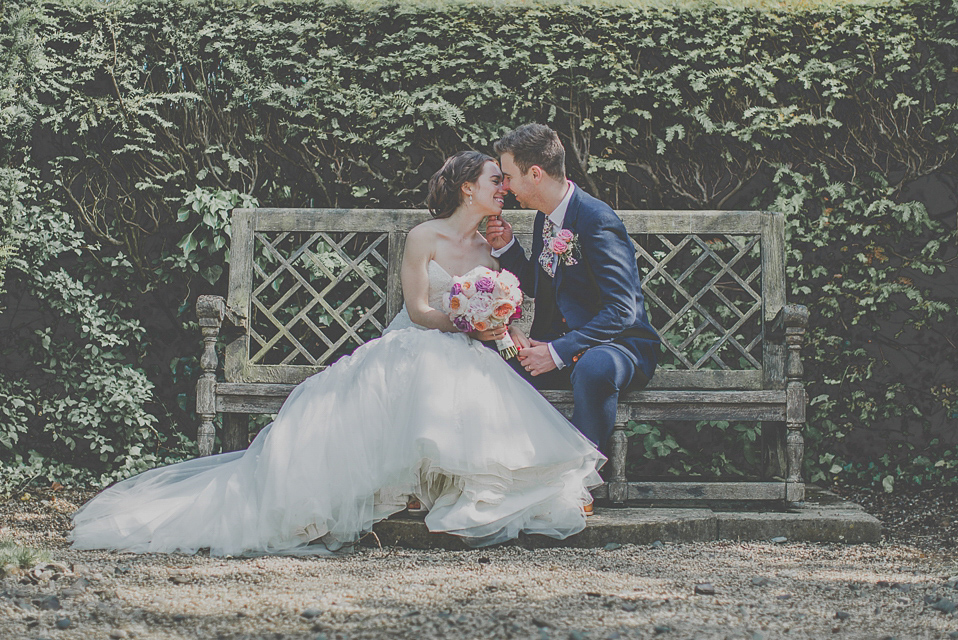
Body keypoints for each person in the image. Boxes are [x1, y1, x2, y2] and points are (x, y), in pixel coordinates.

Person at [68, 151, 605, 556]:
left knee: (472, 387)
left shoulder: (492, 243)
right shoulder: (425, 237)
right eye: (496, 180)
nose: (504, 187)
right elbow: (418, 310)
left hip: (469, 344)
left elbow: (507, 296)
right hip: (423, 339)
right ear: (469, 188)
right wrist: (468, 323)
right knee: (427, 375)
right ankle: (406, 488)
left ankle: (438, 490)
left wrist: (490, 326)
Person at [486, 124, 660, 450]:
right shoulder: (546, 217)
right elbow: (543, 284)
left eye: (508, 176)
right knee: (494, 359)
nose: (506, 187)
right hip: (564, 346)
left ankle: (582, 479)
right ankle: (515, 464)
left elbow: (623, 310)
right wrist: (507, 248)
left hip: (617, 347)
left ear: (535, 174)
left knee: (595, 367)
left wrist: (557, 352)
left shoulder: (597, 219)